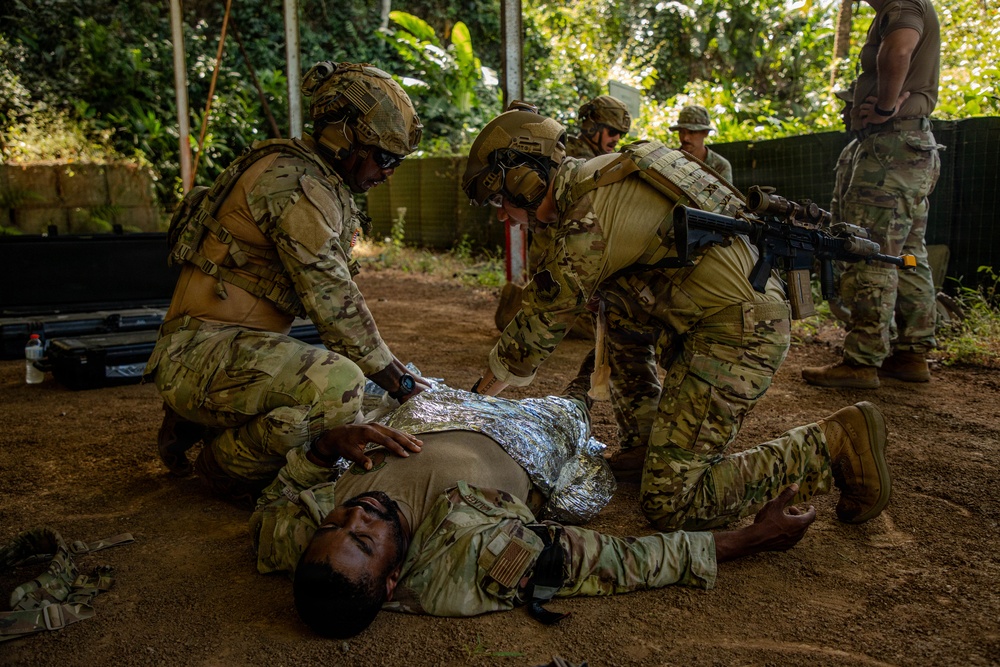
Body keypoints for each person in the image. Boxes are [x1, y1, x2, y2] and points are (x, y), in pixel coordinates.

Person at [460, 107, 893, 533]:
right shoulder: (609, 170)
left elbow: (535, 330)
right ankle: (649, 441)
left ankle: (834, 443)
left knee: (672, 503)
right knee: (616, 306)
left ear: (523, 179)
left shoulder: (588, 214)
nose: (502, 214)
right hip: (722, 315)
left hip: (737, 333)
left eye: (499, 199)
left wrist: (471, 408)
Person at [251, 387, 819, 638]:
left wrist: (325, 449)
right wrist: (743, 540)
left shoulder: (300, 544)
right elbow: (605, 562)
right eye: (367, 539)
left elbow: (275, 501)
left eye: (337, 524)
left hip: (436, 406)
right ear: (393, 577)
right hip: (536, 435)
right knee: (573, 409)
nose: (358, 515)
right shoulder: (471, 560)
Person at [144, 62, 430, 503]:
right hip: (199, 353)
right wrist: (400, 381)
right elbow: (331, 296)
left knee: (363, 398)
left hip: (215, 350)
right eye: (383, 156)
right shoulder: (296, 183)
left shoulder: (315, 177)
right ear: (343, 137)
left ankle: (197, 423)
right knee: (340, 387)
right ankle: (222, 467)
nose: (388, 171)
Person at [803, 0, 941, 389]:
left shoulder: (902, 5)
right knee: (909, 255)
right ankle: (912, 355)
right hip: (909, 149)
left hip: (890, 150)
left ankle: (862, 361)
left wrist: (883, 106)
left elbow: (898, 50)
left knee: (871, 254)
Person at [670, 105, 734, 183]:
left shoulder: (720, 166)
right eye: (681, 132)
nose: (685, 138)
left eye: (692, 132)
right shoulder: (669, 160)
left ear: (705, 133)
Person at [564, 95, 632, 159]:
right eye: (612, 131)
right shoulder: (566, 155)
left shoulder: (603, 159)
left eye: (621, 134)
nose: (616, 139)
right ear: (592, 127)